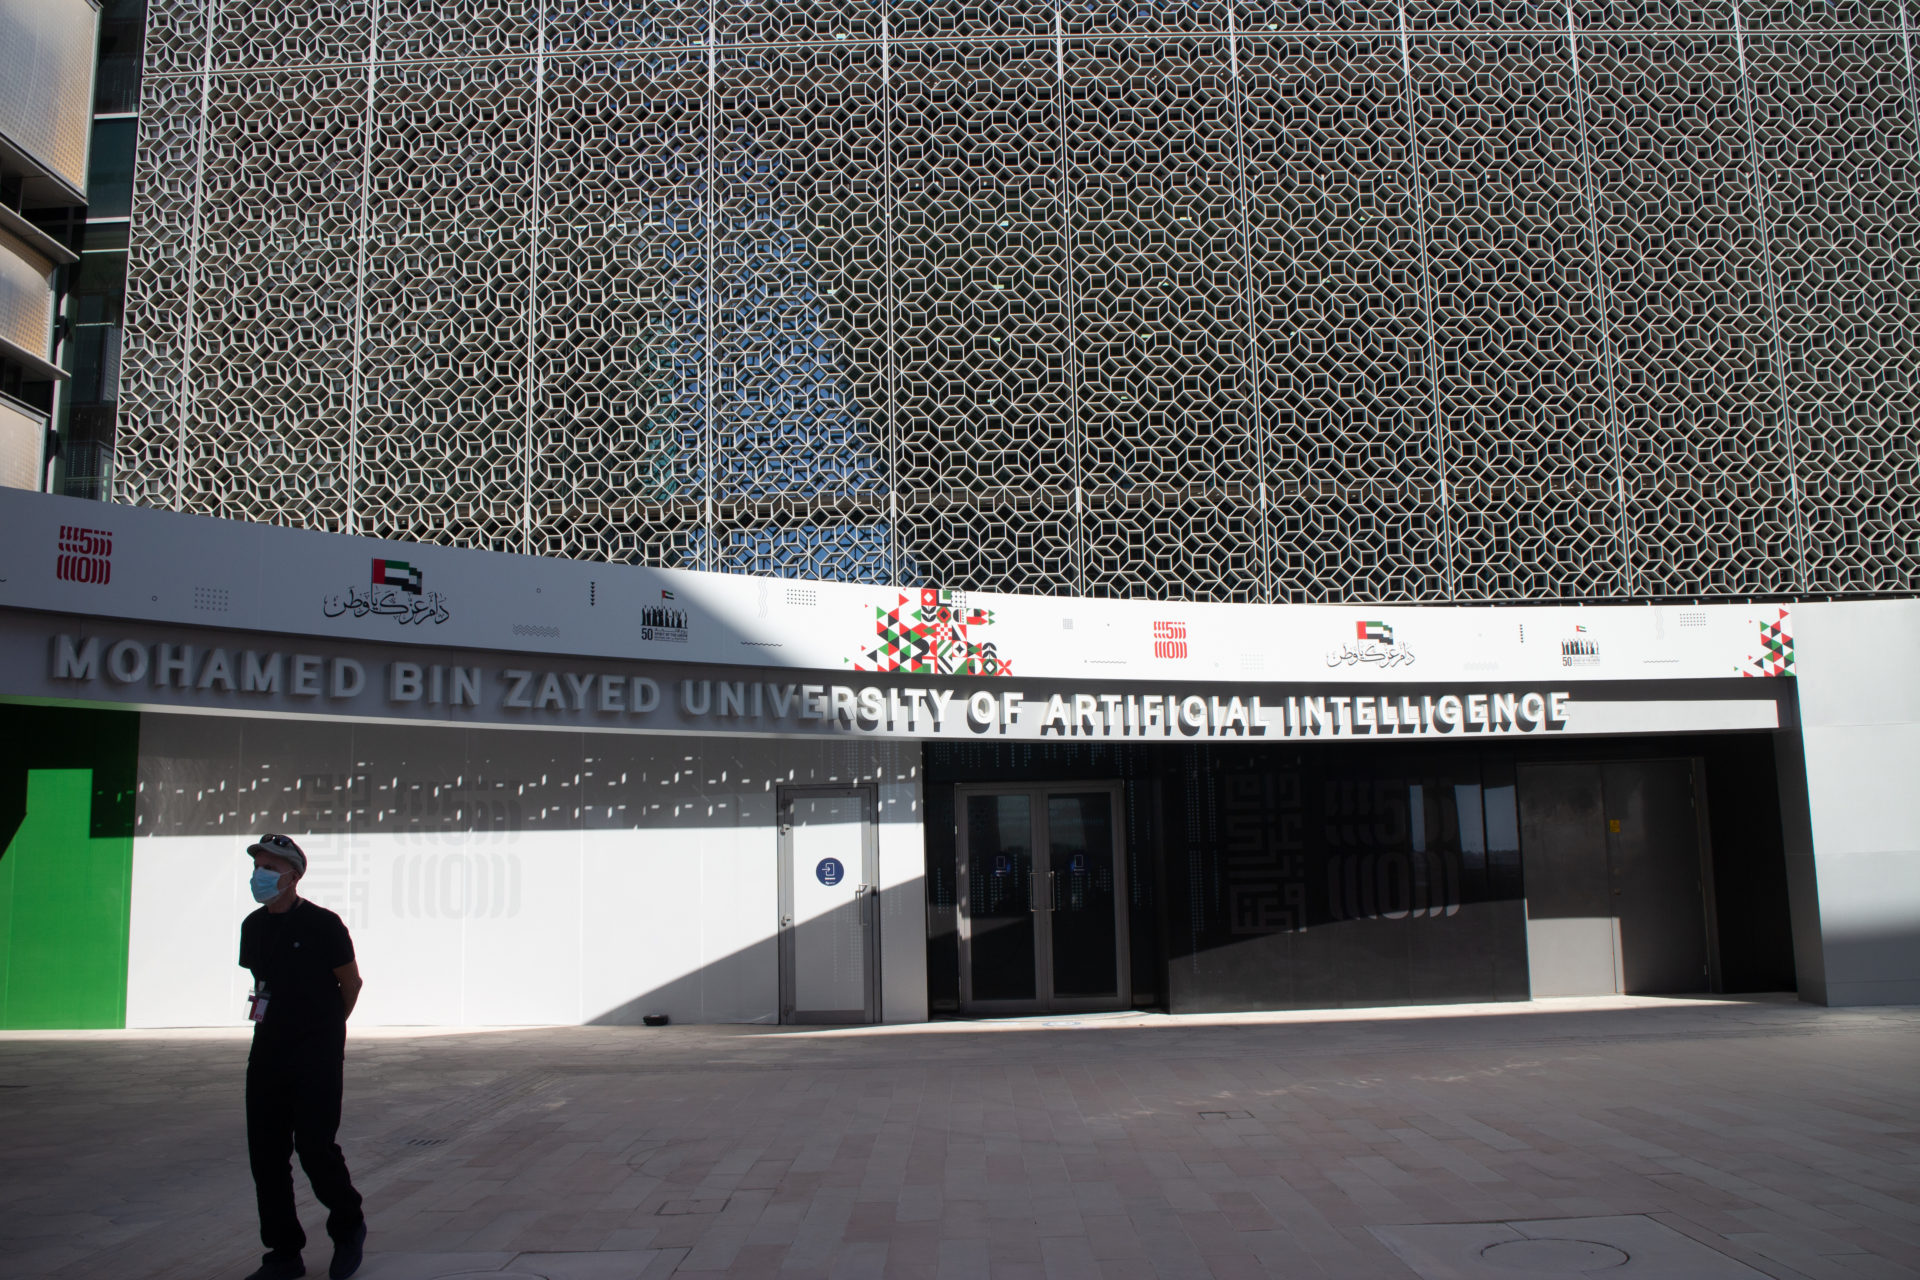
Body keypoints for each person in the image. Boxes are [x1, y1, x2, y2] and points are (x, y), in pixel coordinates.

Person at [239, 834, 367, 1280]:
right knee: (266, 1154)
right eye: (259, 865)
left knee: (314, 1148)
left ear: (294, 875)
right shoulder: (252, 927)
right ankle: (284, 1252)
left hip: (316, 1051)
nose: (262, 874)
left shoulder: (324, 924)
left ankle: (349, 1227)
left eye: (271, 867)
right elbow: (262, 985)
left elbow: (350, 984)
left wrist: (330, 1028)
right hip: (268, 1051)